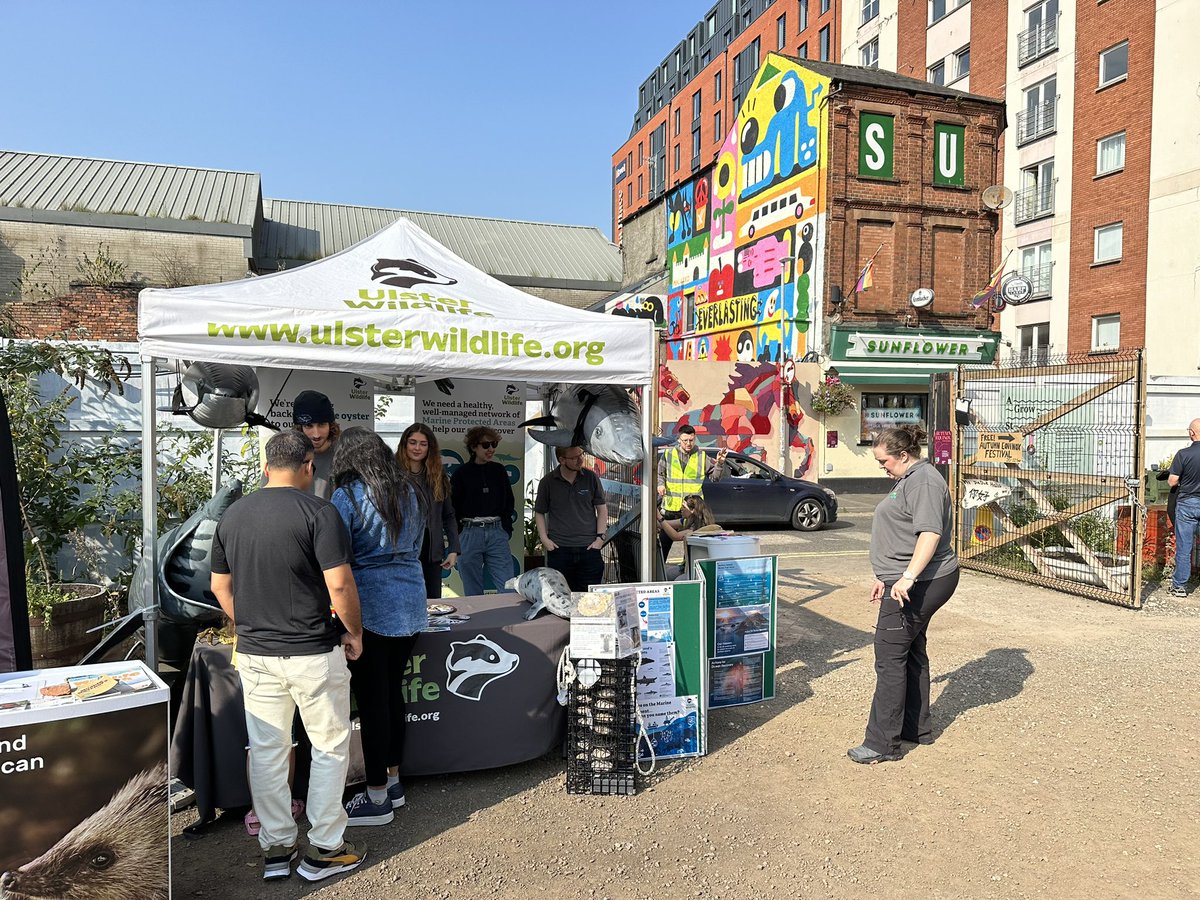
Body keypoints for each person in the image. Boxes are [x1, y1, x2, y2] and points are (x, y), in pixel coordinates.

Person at [210, 430, 366, 882]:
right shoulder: (320, 511)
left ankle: (277, 848)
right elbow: (339, 585)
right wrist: (354, 631)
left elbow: (221, 586)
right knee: (330, 747)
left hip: (256, 653)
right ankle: (325, 847)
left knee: (267, 751)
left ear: (265, 466)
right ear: (308, 466)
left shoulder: (233, 515)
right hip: (313, 651)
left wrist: (255, 622)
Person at [329, 427, 427, 826]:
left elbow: (336, 556)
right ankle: (393, 782)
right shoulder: (411, 490)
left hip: (367, 604)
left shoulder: (346, 495)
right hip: (410, 597)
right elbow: (418, 546)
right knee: (392, 694)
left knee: (372, 702)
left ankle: (375, 798)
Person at [847, 425, 960, 765]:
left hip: (923, 581)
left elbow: (929, 534)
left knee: (890, 655)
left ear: (903, 455)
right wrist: (887, 576)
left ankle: (882, 743)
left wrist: (907, 577)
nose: (881, 466)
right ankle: (915, 729)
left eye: (884, 461)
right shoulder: (909, 479)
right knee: (909, 651)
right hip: (906, 580)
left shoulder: (924, 481)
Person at [397, 423, 460, 599]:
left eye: (423, 444)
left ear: (429, 447)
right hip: (402, 552)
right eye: (413, 442)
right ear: (404, 444)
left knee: (432, 604)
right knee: (405, 602)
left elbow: (448, 515)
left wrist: (453, 548)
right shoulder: (392, 474)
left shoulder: (437, 475)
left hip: (431, 550)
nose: (417, 448)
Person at [450, 426, 516, 595]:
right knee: (472, 588)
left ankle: (510, 620)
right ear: (474, 447)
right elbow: (453, 506)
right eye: (486, 445)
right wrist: (460, 534)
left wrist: (505, 529)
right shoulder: (461, 474)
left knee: (507, 585)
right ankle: (478, 621)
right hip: (469, 532)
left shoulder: (499, 471)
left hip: (496, 531)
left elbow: (509, 501)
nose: (491, 449)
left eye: (494, 444)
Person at [534, 446, 608, 592]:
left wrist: (600, 538)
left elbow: (602, 508)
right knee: (560, 597)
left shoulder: (590, 477)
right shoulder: (548, 482)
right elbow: (539, 512)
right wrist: (544, 539)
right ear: (562, 460)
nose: (580, 460)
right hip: (559, 549)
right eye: (574, 457)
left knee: (589, 599)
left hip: (589, 549)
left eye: (581, 454)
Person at [656, 424, 728, 561]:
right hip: (671, 508)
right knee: (663, 547)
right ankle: (657, 575)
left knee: (691, 550)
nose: (688, 443)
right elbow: (660, 473)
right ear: (679, 440)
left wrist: (719, 463)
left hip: (693, 511)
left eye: (691, 440)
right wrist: (660, 484)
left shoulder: (701, 456)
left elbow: (715, 477)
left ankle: (688, 571)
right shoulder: (668, 454)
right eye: (685, 440)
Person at [1167, 418, 1200, 599]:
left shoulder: (1183, 454)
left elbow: (1172, 481)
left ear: (1192, 433)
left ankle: (1179, 586)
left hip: (1187, 503)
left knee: (1185, 547)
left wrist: (1183, 480)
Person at [293, 390, 340, 500]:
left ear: (331, 425)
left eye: (322, 424)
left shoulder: (344, 453)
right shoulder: (288, 455)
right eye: (309, 426)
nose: (316, 434)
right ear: (299, 428)